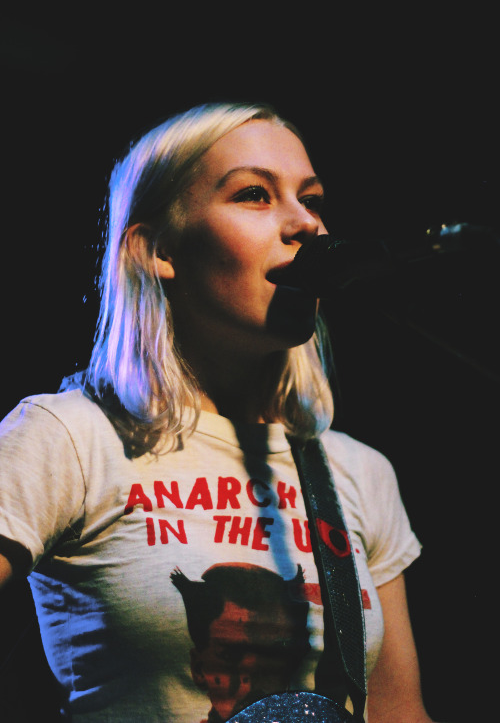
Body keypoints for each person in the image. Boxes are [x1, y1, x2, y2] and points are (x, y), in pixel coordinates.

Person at [0, 102, 442, 722]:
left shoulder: (358, 472)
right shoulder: (68, 438)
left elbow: (400, 712)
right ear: (156, 250)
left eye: (311, 200)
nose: (307, 226)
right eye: (256, 195)